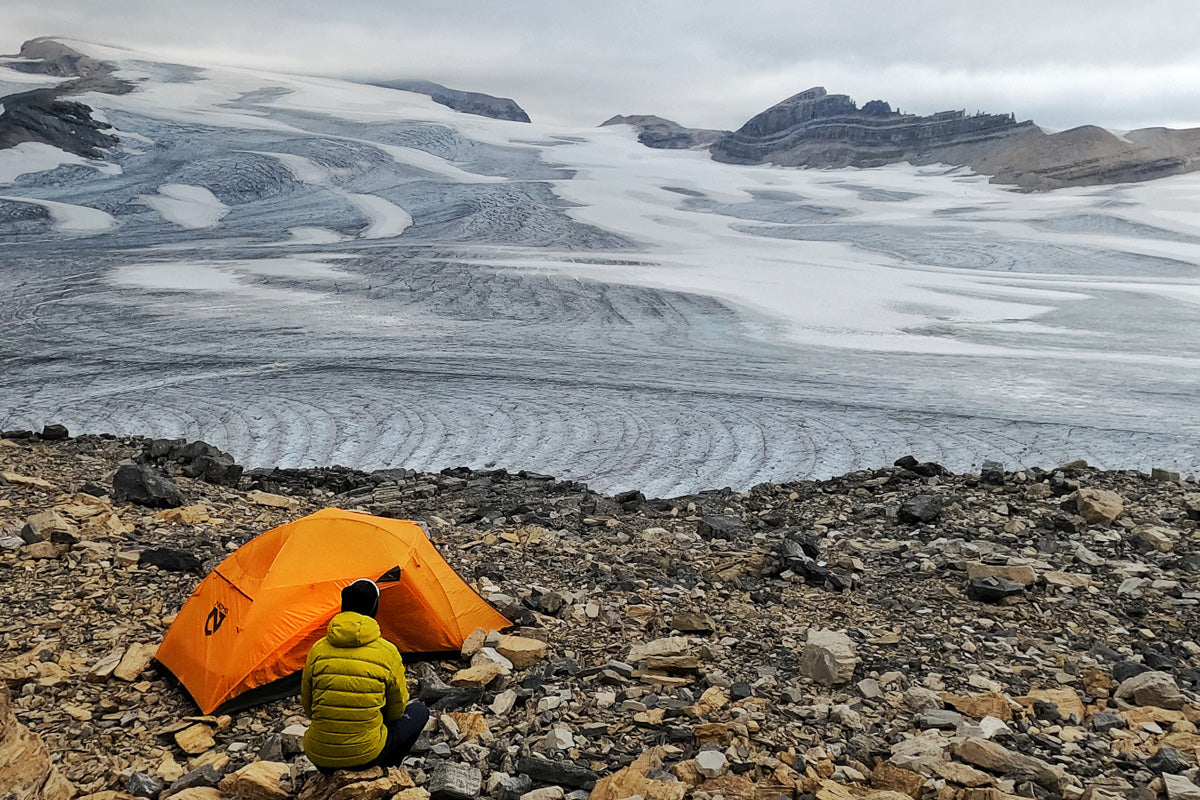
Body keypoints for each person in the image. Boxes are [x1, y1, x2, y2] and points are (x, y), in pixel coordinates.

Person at [301, 578, 429, 771]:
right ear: (374, 610)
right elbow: (397, 710)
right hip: (367, 757)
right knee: (420, 711)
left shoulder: (317, 650)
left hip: (320, 757)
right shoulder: (387, 651)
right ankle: (386, 768)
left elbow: (309, 706)